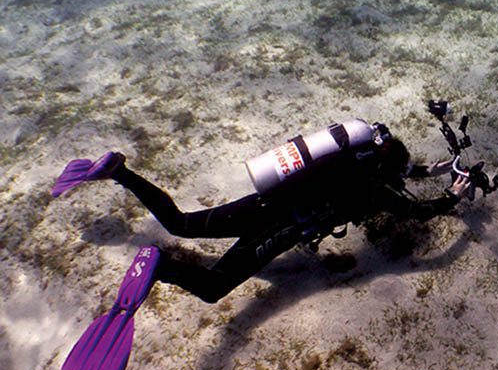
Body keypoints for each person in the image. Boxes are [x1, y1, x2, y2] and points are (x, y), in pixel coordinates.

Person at [52, 120, 472, 303]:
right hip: (281, 228)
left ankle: (119, 171)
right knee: (213, 289)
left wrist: (424, 170)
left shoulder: (349, 162)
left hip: (262, 202)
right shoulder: (376, 194)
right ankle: (159, 266)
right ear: (386, 172)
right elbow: (418, 213)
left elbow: (395, 174)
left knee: (181, 222)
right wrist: (452, 195)